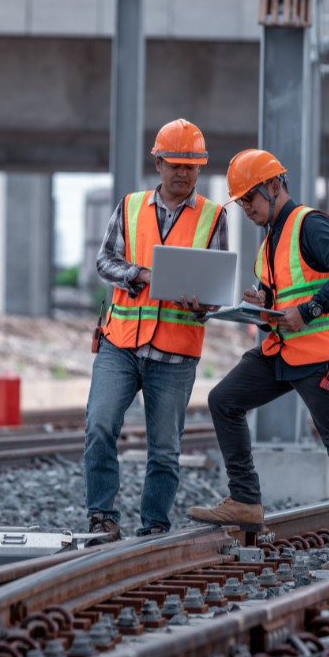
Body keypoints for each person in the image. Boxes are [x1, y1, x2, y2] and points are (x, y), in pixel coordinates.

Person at [186, 148, 329, 571]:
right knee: (224, 401)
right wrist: (261, 302)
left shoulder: (310, 224)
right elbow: (286, 294)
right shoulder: (271, 240)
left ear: (274, 185)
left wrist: (305, 312)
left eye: (250, 198)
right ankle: (246, 500)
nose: (246, 208)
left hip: (322, 357)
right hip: (281, 352)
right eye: (242, 201)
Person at [84, 118, 229, 543]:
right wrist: (141, 274)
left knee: (164, 449)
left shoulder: (213, 217)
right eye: (175, 165)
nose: (182, 173)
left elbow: (215, 286)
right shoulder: (130, 208)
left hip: (175, 352)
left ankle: (154, 527)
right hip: (121, 343)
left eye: (191, 166)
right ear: (159, 163)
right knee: (99, 425)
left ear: (200, 169)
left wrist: (203, 304)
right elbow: (104, 262)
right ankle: (102, 518)